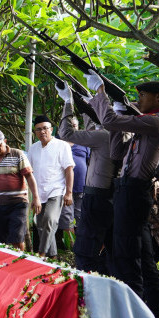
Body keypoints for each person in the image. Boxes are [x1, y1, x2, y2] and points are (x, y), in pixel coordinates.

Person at [86, 71, 159, 318]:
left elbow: (109, 120)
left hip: (134, 193)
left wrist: (101, 93)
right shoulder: (144, 123)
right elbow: (116, 150)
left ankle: (136, 317)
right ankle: (153, 313)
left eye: (142, 96)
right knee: (140, 256)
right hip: (128, 191)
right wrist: (120, 115)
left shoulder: (155, 121)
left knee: (126, 255)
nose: (139, 100)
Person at [56, 83, 116, 274]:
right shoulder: (121, 133)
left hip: (96, 197)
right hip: (112, 197)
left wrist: (68, 102)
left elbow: (66, 133)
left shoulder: (104, 136)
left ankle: (86, 291)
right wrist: (88, 103)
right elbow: (94, 123)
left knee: (85, 251)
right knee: (111, 249)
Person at [0, 130, 42, 251]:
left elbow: (29, 177)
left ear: (4, 142)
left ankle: (19, 264)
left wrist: (36, 198)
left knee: (17, 240)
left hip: (18, 204)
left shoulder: (17, 154)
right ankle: (3, 266)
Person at [27, 115, 74, 258]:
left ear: (51, 130)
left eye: (45, 128)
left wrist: (69, 192)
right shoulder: (33, 148)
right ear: (35, 132)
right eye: (39, 129)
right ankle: (53, 257)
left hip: (56, 191)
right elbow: (29, 172)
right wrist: (32, 196)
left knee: (50, 220)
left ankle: (41, 254)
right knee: (41, 225)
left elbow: (69, 170)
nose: (42, 132)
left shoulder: (62, 145)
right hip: (39, 193)